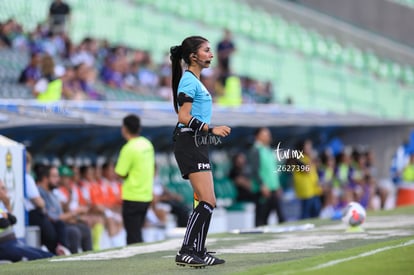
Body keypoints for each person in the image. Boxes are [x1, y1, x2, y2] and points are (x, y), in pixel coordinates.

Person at [170, 36, 231, 267]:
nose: (211, 54)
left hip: (197, 142)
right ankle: (186, 250)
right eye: (207, 50)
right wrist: (211, 129)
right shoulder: (189, 80)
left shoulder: (195, 80)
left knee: (208, 200)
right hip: (189, 142)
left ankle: (198, 250)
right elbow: (183, 117)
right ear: (193, 56)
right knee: (206, 200)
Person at [115, 114, 155, 245]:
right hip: (146, 195)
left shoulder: (128, 148)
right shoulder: (147, 144)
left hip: (132, 196)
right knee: (138, 232)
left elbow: (120, 173)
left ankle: (136, 261)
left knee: (133, 236)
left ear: (124, 128)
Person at [0, 179, 54, 262]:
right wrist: (8, 218)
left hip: (13, 243)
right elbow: (4, 223)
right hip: (3, 246)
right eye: (2, 188)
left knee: (48, 255)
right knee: (39, 258)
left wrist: (7, 205)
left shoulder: (2, 206)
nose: (6, 191)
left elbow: (13, 220)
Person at [250, 127, 285, 226]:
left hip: (273, 189)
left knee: (280, 217)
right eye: (265, 134)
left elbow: (272, 171)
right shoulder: (255, 151)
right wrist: (262, 185)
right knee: (261, 220)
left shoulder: (269, 150)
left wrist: (277, 185)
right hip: (263, 191)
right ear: (257, 136)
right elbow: (254, 171)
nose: (269, 136)